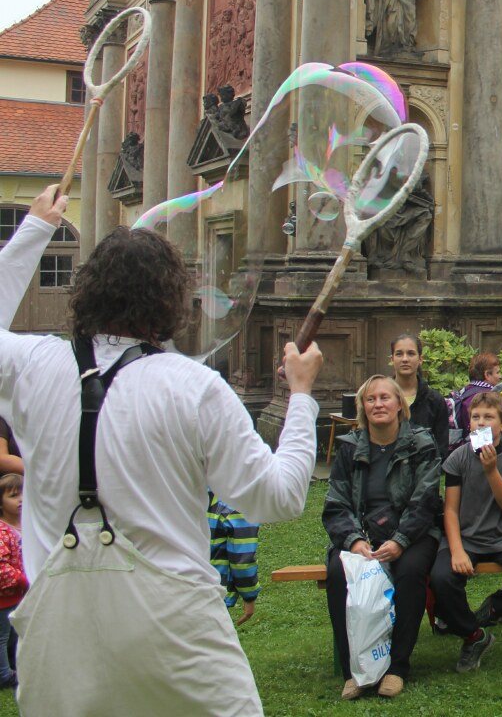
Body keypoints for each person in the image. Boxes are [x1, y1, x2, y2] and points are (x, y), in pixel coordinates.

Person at [0, 187, 321, 716]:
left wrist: (35, 228)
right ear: (172, 300)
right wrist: (302, 396)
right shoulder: (193, 386)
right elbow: (280, 497)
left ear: (88, 291)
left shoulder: (32, 364)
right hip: (177, 632)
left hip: (59, 633)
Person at [323, 373, 441, 700]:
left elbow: (426, 500)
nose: (378, 404)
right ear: (362, 407)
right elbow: (336, 503)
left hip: (412, 534)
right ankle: (354, 672)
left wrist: (401, 540)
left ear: (399, 404)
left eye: (385, 397)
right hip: (362, 536)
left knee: (411, 572)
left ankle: (397, 667)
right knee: (337, 574)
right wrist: (353, 541)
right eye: (371, 399)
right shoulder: (349, 448)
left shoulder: (421, 443)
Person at [430, 391, 502, 674]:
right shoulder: (458, 458)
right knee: (441, 578)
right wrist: (456, 550)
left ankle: (494, 609)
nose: (481, 422)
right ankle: (474, 635)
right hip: (467, 535)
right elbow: (451, 510)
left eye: (488, 417)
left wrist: (492, 470)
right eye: (476, 417)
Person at [208, 494, 259, 626]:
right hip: (211, 593)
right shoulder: (236, 501)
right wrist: (249, 596)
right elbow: (242, 559)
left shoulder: (185, 490)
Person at [387, 333, 448, 438]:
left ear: (420, 359)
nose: (405, 359)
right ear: (392, 359)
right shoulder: (381, 398)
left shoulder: (435, 400)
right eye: (399, 354)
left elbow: (441, 446)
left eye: (411, 353)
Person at [448, 351, 502, 451]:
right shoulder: (487, 397)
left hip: (460, 450)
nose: (501, 376)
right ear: (487, 375)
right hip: (479, 452)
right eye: (497, 372)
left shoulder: (464, 392)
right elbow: (481, 440)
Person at [0, 475, 23, 689]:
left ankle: (17, 666)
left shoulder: (30, 524)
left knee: (16, 633)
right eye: (14, 495)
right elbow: (2, 568)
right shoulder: (1, 530)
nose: (21, 499)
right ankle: (4, 675)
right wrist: (22, 580)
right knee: (3, 635)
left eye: (24, 493)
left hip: (21, 593)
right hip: (5, 595)